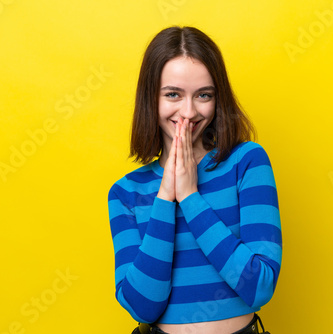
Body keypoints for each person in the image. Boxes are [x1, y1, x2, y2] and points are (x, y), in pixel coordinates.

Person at [107, 26, 282, 334]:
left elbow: (259, 286)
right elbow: (143, 306)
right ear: (151, 98)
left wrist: (190, 196)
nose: (188, 112)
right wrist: (165, 197)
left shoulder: (247, 162)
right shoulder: (126, 193)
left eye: (203, 95)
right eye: (173, 94)